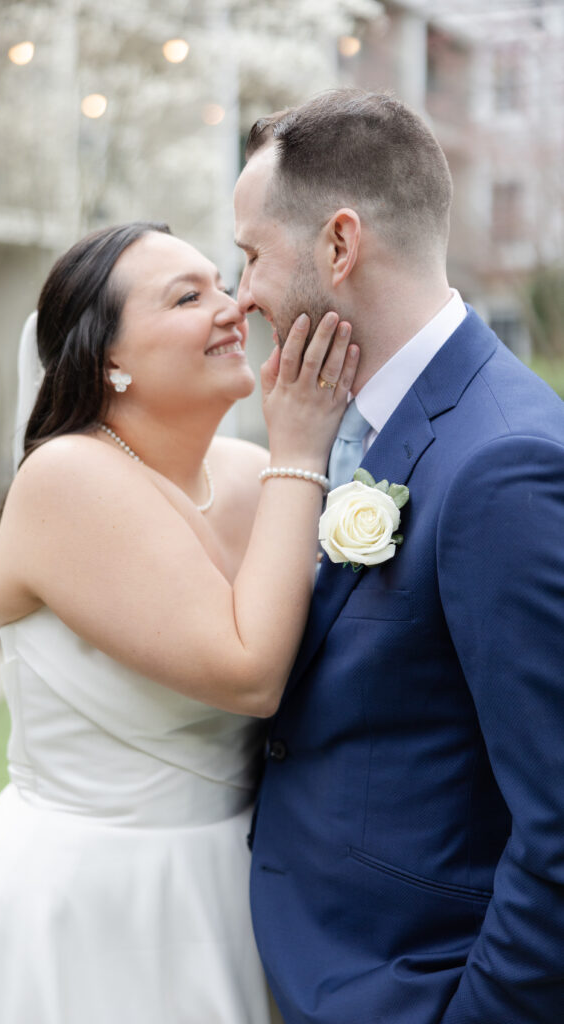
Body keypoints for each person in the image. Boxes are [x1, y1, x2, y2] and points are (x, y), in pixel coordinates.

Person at [0, 221, 359, 1024]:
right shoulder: (68, 477)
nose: (232, 307)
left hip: (246, 890)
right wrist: (302, 445)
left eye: (222, 283)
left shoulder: (257, 478)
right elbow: (248, 673)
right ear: (109, 358)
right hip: (94, 905)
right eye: (188, 297)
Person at [233, 88, 564, 1024]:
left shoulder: (502, 463)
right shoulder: (360, 426)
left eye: (251, 254)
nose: (242, 294)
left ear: (338, 246)